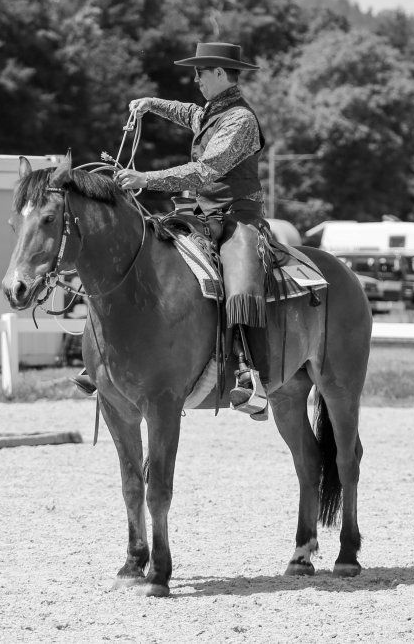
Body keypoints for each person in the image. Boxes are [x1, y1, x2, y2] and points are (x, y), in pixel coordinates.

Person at [70, 42, 270, 419]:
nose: (194, 78)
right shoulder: (213, 113)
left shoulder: (240, 121)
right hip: (198, 213)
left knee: (241, 282)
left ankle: (250, 373)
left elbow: (206, 170)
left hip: (237, 218)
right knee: (140, 255)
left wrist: (146, 178)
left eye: (199, 72)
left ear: (218, 73)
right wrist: (151, 103)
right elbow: (189, 112)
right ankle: (109, 357)